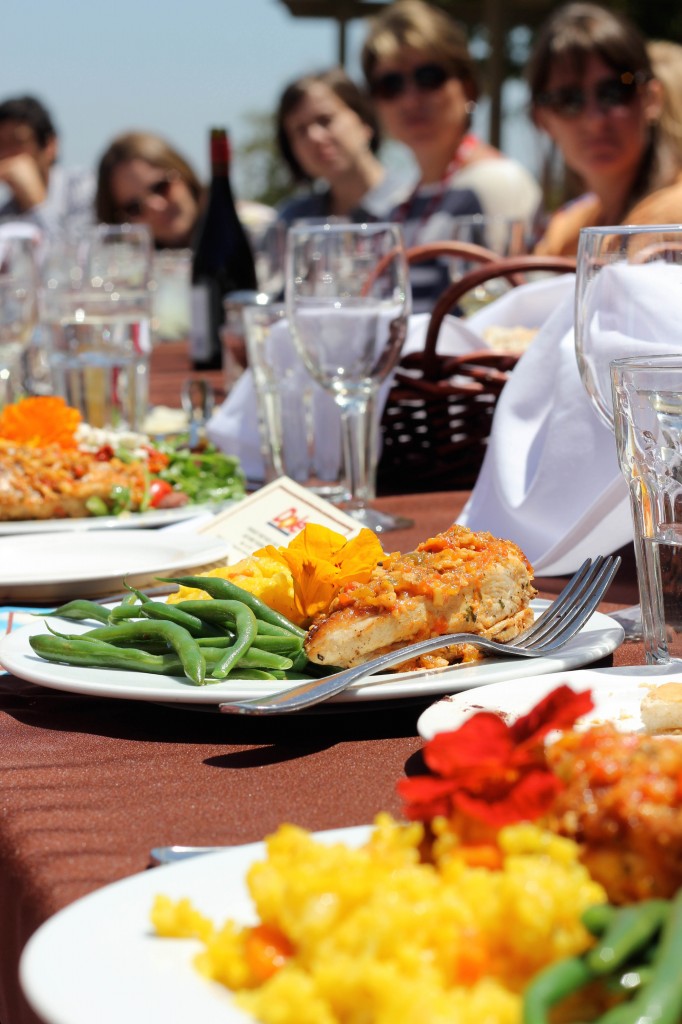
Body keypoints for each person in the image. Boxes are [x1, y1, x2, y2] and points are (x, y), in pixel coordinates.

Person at [360, 0, 541, 310]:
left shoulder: (495, 182)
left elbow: (515, 311)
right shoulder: (399, 203)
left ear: (467, 87)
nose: (410, 99)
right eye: (390, 85)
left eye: (428, 77)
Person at [528, 3, 681, 256]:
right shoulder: (565, 233)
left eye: (614, 92)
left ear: (651, 99)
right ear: (542, 120)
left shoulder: (673, 218)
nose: (594, 120)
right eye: (568, 100)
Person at [274, 67, 408, 226]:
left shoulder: (414, 205)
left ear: (365, 121)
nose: (314, 137)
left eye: (325, 120)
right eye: (300, 130)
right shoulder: (290, 221)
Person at [0, 94, 94, 238]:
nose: (7, 154)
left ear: (50, 146)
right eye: (1, 145)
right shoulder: (6, 213)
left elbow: (74, 257)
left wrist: (35, 202)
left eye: (17, 142)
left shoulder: (82, 189)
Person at [95, 131, 203, 249]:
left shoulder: (225, 215)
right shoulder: (122, 265)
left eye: (160, 187)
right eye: (134, 208)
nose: (156, 206)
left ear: (184, 173)